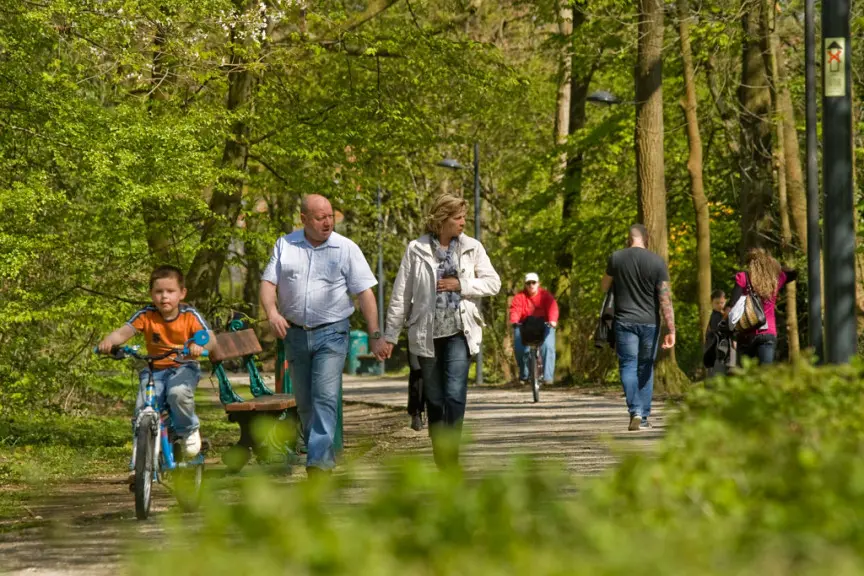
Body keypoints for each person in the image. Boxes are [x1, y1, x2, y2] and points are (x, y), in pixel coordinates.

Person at [260, 194, 386, 478]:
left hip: (332, 332)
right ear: (304, 219)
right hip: (294, 333)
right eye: (320, 217)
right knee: (305, 401)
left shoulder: (345, 248)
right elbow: (268, 283)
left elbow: (364, 293)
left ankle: (318, 463)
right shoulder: (285, 245)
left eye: (330, 215)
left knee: (325, 396)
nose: (327, 222)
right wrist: (272, 313)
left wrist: (375, 333)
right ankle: (321, 453)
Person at [382, 193, 501, 469]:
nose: (463, 222)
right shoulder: (416, 249)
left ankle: (452, 458)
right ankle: (441, 459)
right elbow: (402, 294)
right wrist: (390, 335)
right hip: (427, 334)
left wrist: (461, 283)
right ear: (442, 220)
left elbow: (493, 283)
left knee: (455, 394)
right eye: (458, 218)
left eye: (463, 217)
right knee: (434, 399)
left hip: (460, 332)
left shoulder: (472, 247)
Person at [97, 265, 214, 474]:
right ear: (152, 294)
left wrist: (200, 346)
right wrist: (109, 341)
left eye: (170, 292)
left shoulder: (189, 315)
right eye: (159, 292)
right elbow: (124, 332)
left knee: (177, 394)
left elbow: (210, 339)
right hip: (155, 370)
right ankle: (139, 460)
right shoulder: (147, 314)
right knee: (143, 409)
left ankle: (189, 431)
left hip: (184, 366)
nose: (164, 297)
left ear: (182, 293)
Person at [601, 224, 676, 432]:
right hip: (650, 323)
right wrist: (672, 330)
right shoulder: (657, 262)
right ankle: (642, 418)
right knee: (645, 367)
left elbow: (604, 287)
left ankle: (635, 411)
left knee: (627, 365)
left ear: (629, 238)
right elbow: (665, 299)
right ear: (647, 238)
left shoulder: (616, 258)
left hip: (624, 321)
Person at [728, 248, 797, 365]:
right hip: (767, 333)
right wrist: (776, 265)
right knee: (765, 375)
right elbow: (793, 274)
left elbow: (732, 305)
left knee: (746, 378)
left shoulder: (743, 277)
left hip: (746, 334)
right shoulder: (775, 280)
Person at [509, 272, 558, 385]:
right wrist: (515, 321)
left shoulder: (546, 296)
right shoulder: (519, 297)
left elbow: (553, 308)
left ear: (538, 284)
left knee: (548, 346)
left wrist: (553, 320)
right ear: (525, 285)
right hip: (525, 325)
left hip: (544, 324)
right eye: (528, 283)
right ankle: (524, 375)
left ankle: (548, 377)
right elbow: (515, 310)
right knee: (521, 348)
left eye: (533, 282)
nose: (531, 285)